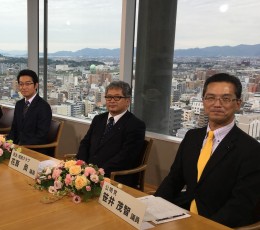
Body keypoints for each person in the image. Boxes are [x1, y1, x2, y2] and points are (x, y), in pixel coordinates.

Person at [155, 73, 260, 228]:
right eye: (210, 98)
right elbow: (174, 178)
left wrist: (205, 226)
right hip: (184, 212)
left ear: (238, 103)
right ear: (203, 101)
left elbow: (241, 204)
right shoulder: (192, 137)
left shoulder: (251, 150)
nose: (217, 104)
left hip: (217, 221)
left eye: (225, 99)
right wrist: (154, 204)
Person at [76, 81, 146, 188]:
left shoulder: (136, 125)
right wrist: (82, 164)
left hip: (114, 177)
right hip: (87, 172)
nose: (112, 101)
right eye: (109, 97)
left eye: (117, 97)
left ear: (128, 100)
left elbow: (126, 157)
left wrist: (99, 172)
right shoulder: (98, 119)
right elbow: (85, 143)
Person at [7, 69, 52, 155]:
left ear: (36, 85)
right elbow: (14, 129)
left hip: (34, 150)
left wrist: (21, 146)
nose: (23, 87)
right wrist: (7, 143)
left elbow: (41, 135)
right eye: (21, 84)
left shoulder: (43, 106)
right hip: (17, 148)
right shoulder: (19, 104)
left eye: (28, 84)